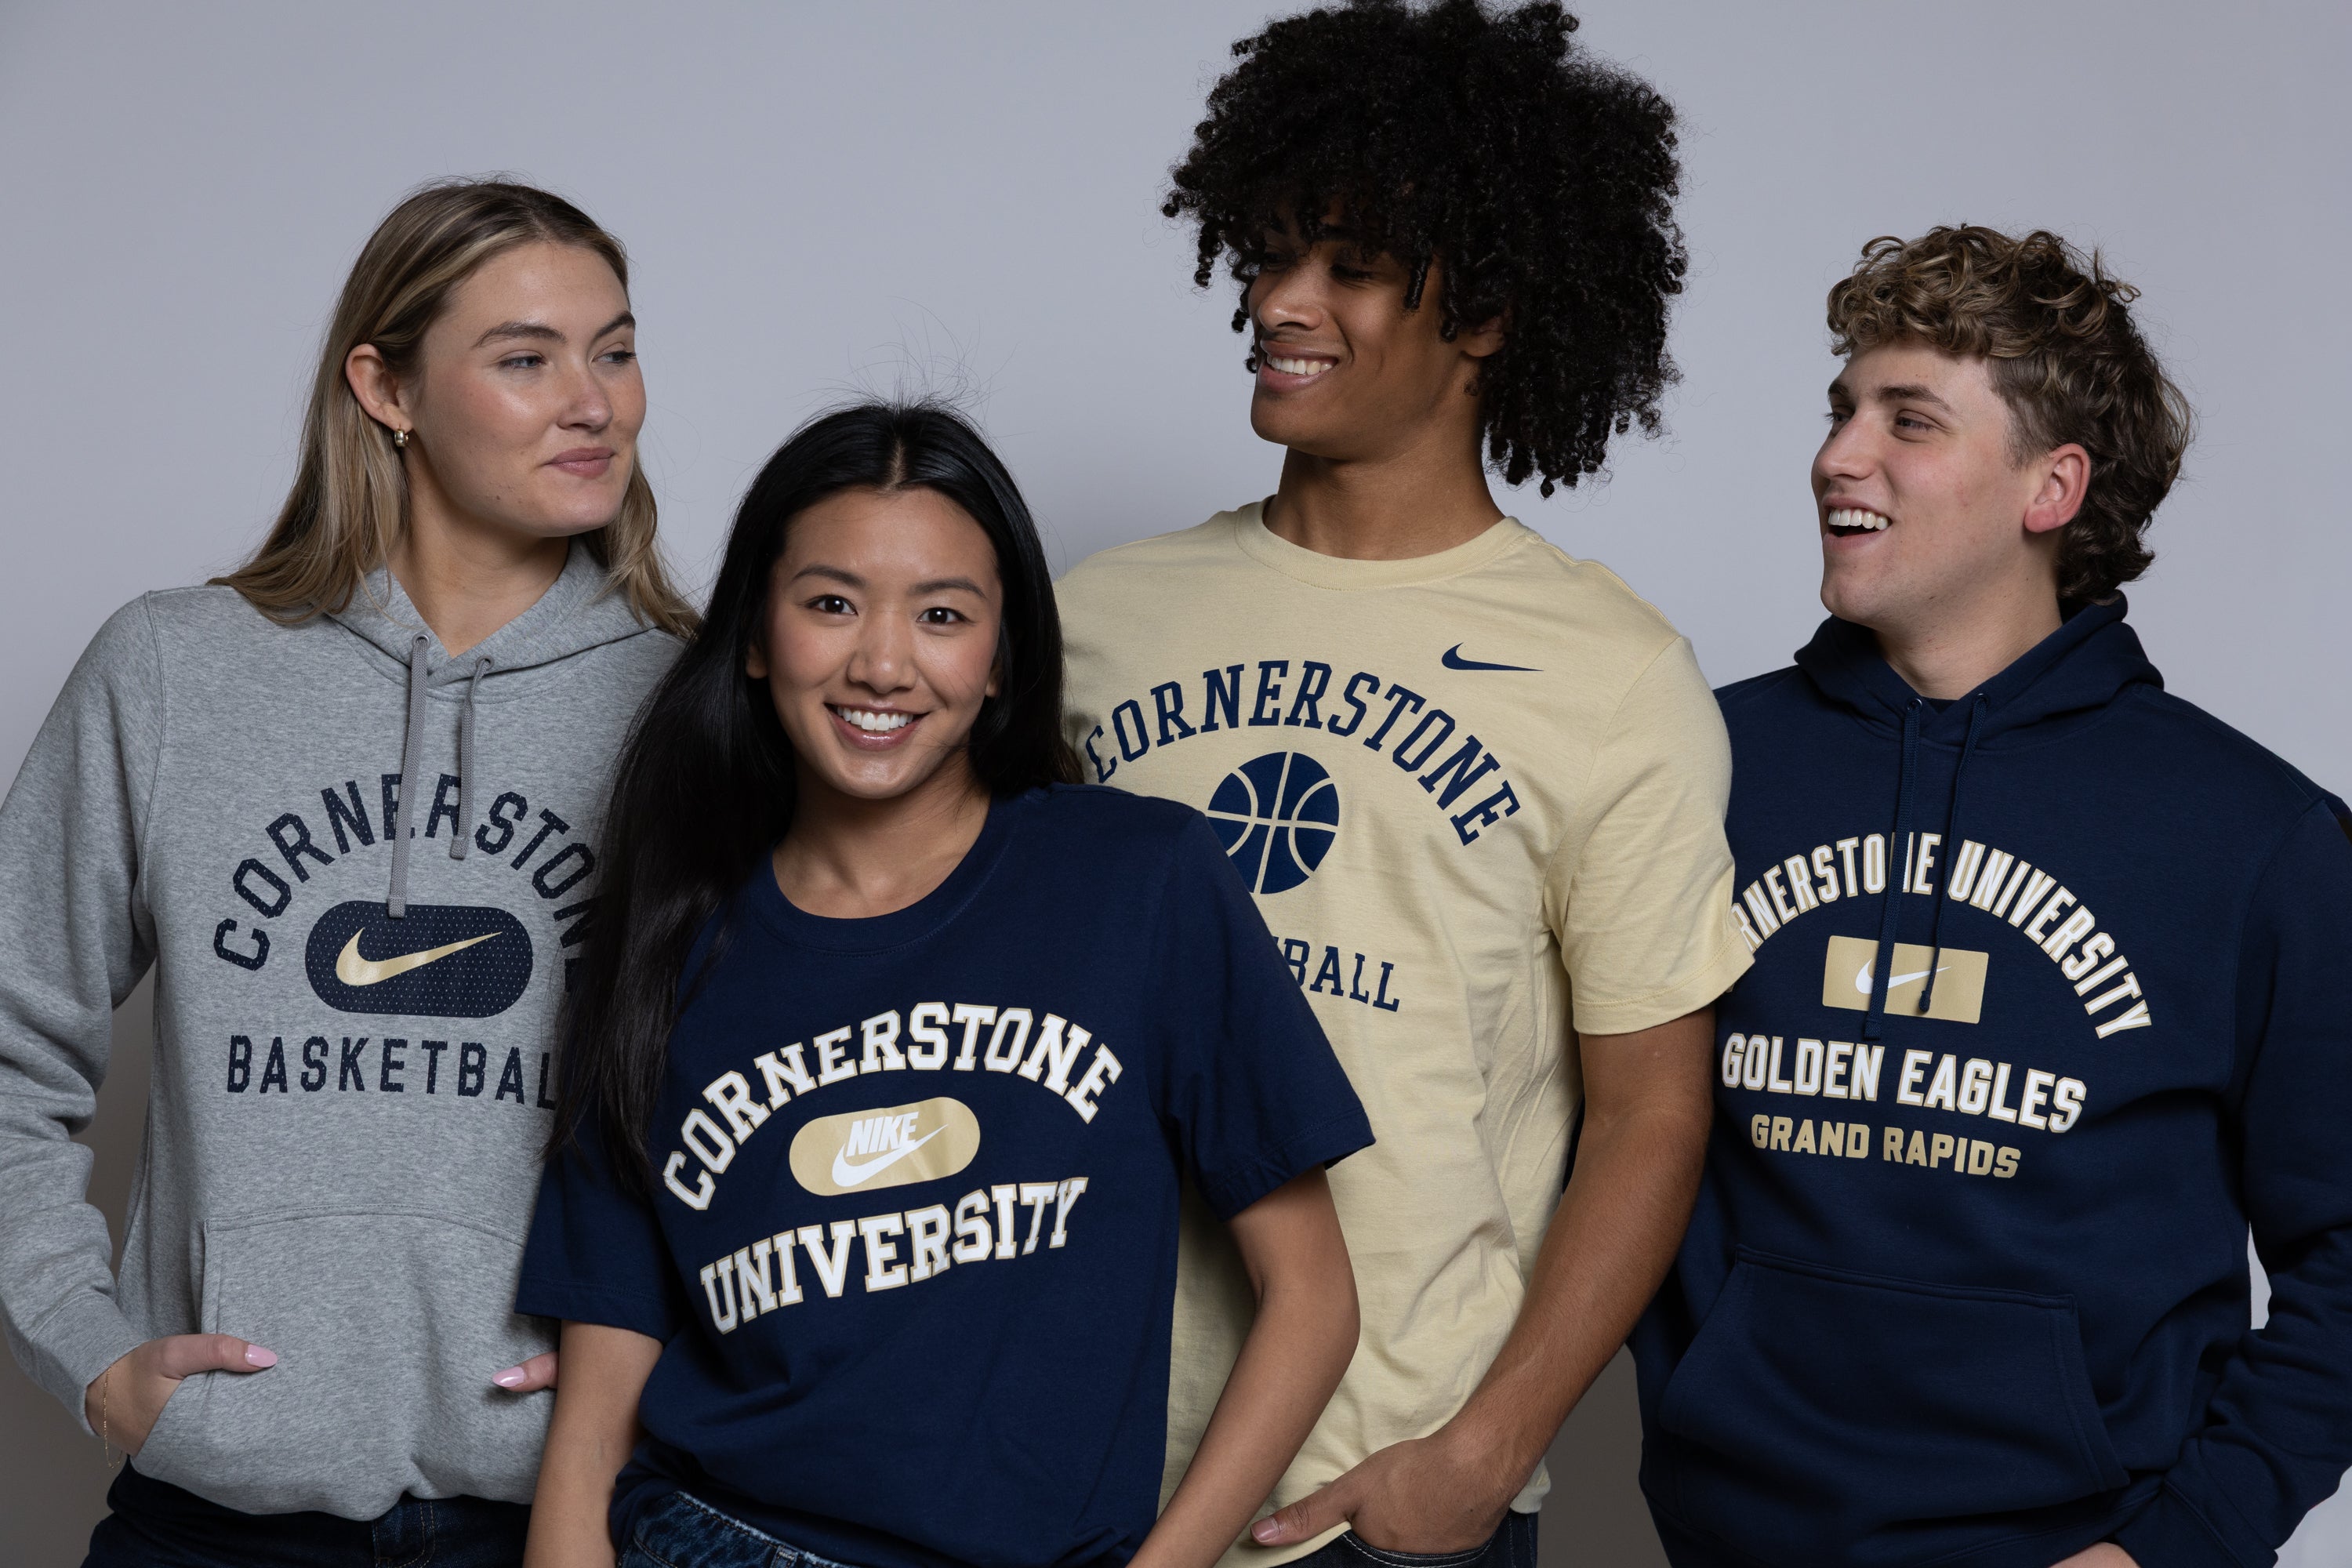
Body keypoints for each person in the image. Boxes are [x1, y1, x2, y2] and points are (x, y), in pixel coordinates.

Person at [1055, 3, 1750, 1563]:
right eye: (1271, 252)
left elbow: (1652, 1113)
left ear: (1487, 311)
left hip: (1367, 1504)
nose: (1280, 302)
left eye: (1350, 266)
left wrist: (1483, 1452)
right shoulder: (1096, 618)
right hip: (1071, 1461)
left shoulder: (1611, 673)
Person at [517, 402, 1370, 1568]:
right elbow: (601, 1387)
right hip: (715, 1537)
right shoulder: (669, 937)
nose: (881, 661)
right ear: (758, 635)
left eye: (942, 616)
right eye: (830, 602)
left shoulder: (1140, 881)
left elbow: (1314, 1297)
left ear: (1002, 656)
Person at [1632, 226, 2352, 1567]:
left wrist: (2187, 1540)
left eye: (1910, 420)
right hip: (1726, 1533)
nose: (1840, 456)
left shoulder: (2259, 839)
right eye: (1844, 410)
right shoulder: (1692, 767)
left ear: (2051, 488)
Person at [0, 177, 693, 1566]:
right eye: (525, 358)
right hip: (218, 1511)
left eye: (615, 349)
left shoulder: (698, 706)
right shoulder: (177, 672)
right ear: (385, 387)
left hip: (569, 1509)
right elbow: (13, 1041)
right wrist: (87, 1350)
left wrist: (674, 1360)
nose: (596, 402)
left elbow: (793, 1100)